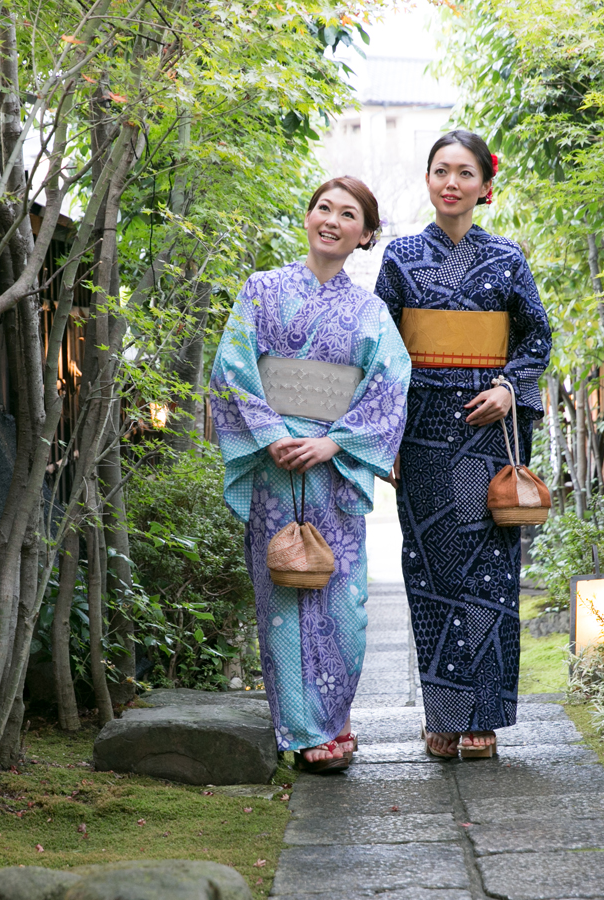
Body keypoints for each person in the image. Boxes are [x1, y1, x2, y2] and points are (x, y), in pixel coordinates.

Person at [210, 177, 411, 772]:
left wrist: (331, 443)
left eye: (348, 215)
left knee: (342, 602)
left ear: (365, 235)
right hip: (276, 467)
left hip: (332, 469)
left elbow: (390, 386)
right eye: (323, 208)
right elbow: (232, 367)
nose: (332, 220)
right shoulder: (262, 290)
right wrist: (273, 437)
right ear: (307, 217)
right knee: (283, 595)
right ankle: (303, 732)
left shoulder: (371, 312)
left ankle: (338, 718)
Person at [374, 130, 551, 760]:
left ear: (484, 185)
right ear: (428, 181)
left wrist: (509, 387)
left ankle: (485, 717)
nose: (452, 183)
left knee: (490, 574)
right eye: (441, 171)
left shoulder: (506, 259)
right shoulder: (399, 259)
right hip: (420, 432)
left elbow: (537, 336)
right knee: (429, 571)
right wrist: (383, 435)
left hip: (485, 434)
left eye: (465, 172)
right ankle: (442, 716)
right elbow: (381, 352)